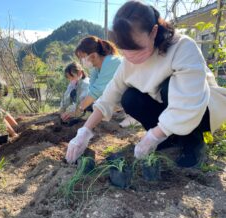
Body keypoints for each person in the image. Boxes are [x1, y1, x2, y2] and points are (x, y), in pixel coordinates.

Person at [65, 1, 226, 168]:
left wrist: (153, 136)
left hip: (200, 108)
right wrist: (84, 132)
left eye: (136, 48)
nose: (130, 56)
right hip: (169, 111)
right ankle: (169, 138)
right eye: (124, 49)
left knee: (168, 87)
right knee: (130, 98)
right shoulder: (127, 62)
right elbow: (108, 96)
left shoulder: (182, 47)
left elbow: (189, 101)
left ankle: (193, 141)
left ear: (154, 31)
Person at [62, 36, 122, 121]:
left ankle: (132, 115)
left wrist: (78, 110)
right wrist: (74, 109)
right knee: (92, 104)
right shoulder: (96, 68)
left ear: (93, 55)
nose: (81, 61)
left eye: (82, 57)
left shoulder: (111, 61)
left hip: (134, 96)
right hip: (117, 98)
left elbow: (97, 91)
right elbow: (91, 90)